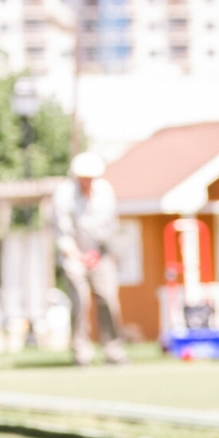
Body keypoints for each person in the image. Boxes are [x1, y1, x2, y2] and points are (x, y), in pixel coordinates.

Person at [54, 151, 128, 366]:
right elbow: (62, 233)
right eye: (84, 178)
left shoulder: (105, 192)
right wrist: (78, 255)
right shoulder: (63, 194)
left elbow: (110, 228)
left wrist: (99, 253)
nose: (88, 182)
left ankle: (114, 351)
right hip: (74, 256)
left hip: (101, 255)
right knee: (80, 303)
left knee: (108, 300)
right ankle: (81, 353)